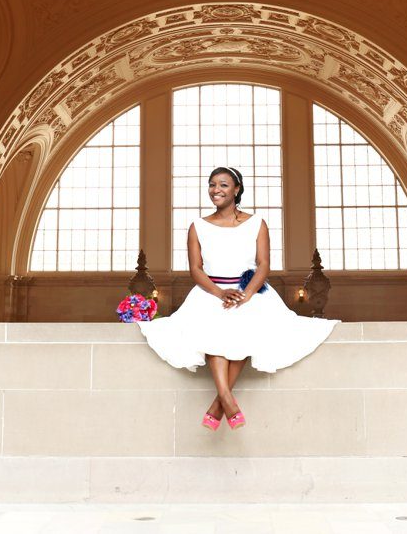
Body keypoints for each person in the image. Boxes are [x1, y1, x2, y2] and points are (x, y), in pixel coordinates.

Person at [137, 166, 340, 430]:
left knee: (247, 327)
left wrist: (246, 296)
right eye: (212, 185)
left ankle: (218, 404)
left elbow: (264, 264)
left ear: (237, 189)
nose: (215, 190)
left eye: (222, 185)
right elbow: (196, 269)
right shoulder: (198, 226)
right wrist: (219, 293)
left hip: (249, 291)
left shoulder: (257, 223)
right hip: (211, 292)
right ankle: (226, 401)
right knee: (211, 330)